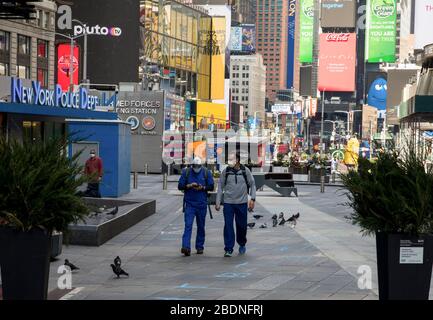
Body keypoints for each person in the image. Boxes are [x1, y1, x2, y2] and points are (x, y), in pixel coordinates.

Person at [215, 152, 256, 257]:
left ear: (237, 160)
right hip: (228, 204)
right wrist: (218, 202)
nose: (229, 161)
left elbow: (252, 184)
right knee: (228, 226)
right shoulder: (226, 171)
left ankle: (242, 243)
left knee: (241, 226)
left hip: (242, 203)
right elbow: (220, 186)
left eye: (231, 159)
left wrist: (253, 199)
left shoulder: (245, 171)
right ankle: (228, 248)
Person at [178, 157, 214, 257]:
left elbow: (211, 186)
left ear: (201, 166)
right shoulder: (186, 172)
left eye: (198, 166)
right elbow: (180, 186)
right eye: (194, 166)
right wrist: (189, 186)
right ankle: (186, 247)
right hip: (190, 204)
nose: (196, 168)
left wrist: (202, 187)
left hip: (202, 204)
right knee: (188, 225)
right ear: (192, 165)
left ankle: (199, 247)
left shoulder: (206, 172)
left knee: (201, 226)